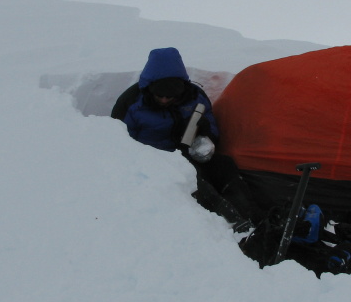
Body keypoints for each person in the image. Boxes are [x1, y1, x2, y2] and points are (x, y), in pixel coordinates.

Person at [111, 47, 259, 230]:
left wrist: (205, 133)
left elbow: (212, 127)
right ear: (149, 87)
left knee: (224, 166)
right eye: (160, 95)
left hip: (188, 153)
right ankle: (232, 224)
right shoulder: (132, 101)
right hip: (152, 163)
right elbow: (115, 139)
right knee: (196, 182)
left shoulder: (195, 97)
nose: (165, 100)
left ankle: (252, 217)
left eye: (170, 96)